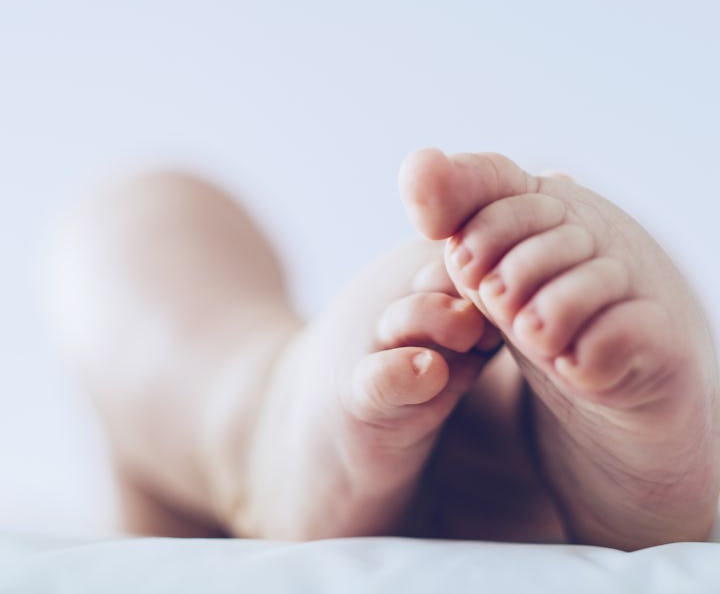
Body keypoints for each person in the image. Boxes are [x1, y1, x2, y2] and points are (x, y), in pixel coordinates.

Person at [47, 148, 720, 550]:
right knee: (145, 212)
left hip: (246, 492)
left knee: (142, 214)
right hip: (515, 484)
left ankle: (257, 416)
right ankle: (532, 417)